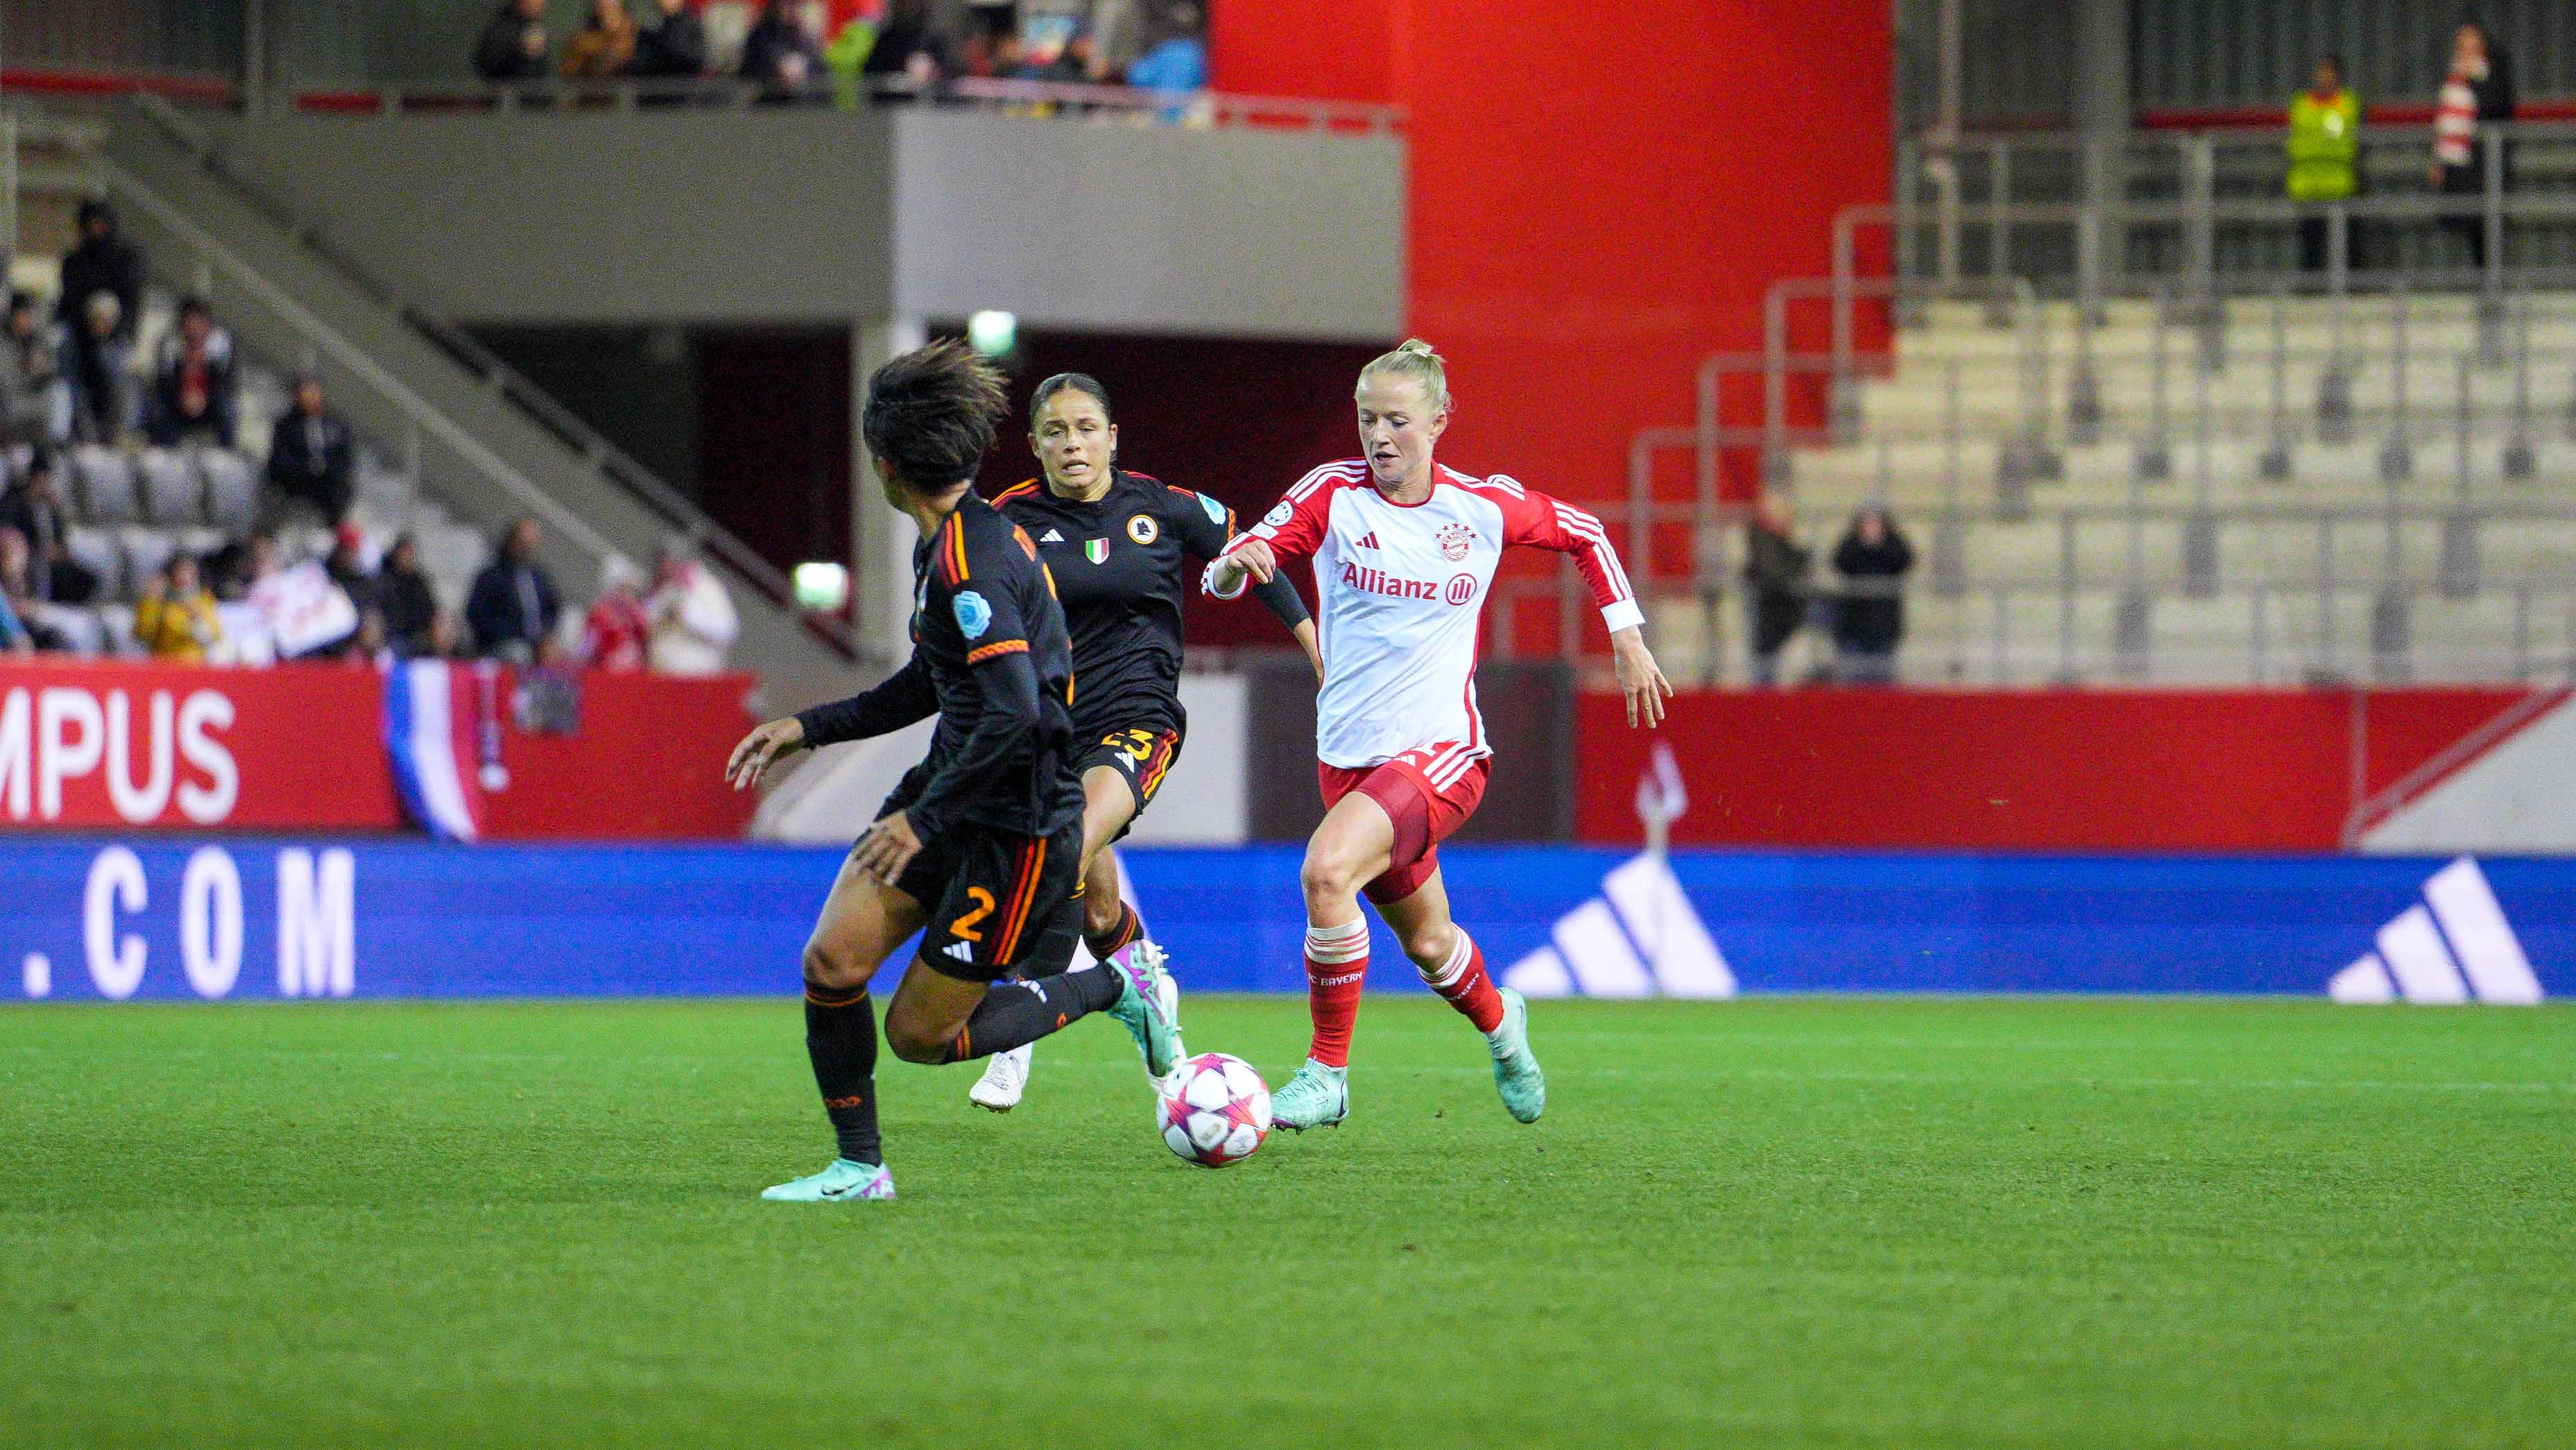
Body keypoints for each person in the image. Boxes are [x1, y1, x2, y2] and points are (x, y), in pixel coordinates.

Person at [721, 339, 1182, 1203]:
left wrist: (924, 821)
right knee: (831, 964)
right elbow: (930, 686)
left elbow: (1015, 712)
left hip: (1014, 832)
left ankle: (1113, 982)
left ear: (885, 466)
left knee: (920, 1038)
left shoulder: (977, 561)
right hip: (948, 795)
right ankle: (860, 1168)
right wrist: (808, 727)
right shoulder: (947, 547)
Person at [1205, 339, 1669, 1131]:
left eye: (1396, 420)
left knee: (1326, 872)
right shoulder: (1332, 494)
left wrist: (1625, 633)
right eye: (1366, 419)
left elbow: (1585, 533)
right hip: (1348, 759)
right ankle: (1503, 1024)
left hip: (1443, 752)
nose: (1379, 436)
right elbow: (1262, 544)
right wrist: (1233, 566)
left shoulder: (1479, 508)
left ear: (1440, 422)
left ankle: (1327, 1073)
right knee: (1429, 945)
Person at [965, 372, 1321, 1111]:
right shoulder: (1008, 520)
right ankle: (1148, 991)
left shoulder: (1161, 506)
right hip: (1048, 733)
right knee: (1096, 907)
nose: (1073, 444)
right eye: (1056, 431)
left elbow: (1254, 554)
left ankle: (1016, 1031)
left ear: (1112, 437)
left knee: (1061, 844)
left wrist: (1312, 640)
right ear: (1034, 445)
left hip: (1139, 719)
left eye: (1086, 428)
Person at [2432, 22, 2516, 273]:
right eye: (2461, 44)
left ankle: (2493, 287)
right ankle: (2480, 282)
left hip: (2487, 165)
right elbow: (2446, 119)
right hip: (2461, 166)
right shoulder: (2453, 77)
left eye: (2470, 43)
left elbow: (2497, 109)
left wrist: (2474, 79)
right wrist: (2438, 159)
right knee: (2470, 227)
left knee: (2489, 227)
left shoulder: (2494, 73)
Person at [2288, 56, 2359, 274]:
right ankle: (2310, 297)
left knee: (2346, 246)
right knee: (2310, 247)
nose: (2324, 78)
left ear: (2337, 76)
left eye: (2329, 73)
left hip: (2339, 185)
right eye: (2321, 73)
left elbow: (2338, 137)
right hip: (2307, 186)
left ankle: (2349, 293)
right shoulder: (2301, 103)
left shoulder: (2347, 103)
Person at [1, 451, 99, 606]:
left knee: (85, 578)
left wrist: (57, 510)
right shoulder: (15, 503)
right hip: (30, 562)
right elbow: (12, 538)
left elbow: (62, 541)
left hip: (53, 563)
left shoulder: (49, 507)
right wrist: (40, 550)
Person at [1828, 506, 1914, 685]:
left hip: (1884, 625)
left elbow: (1905, 560)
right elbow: (1840, 562)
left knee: (1883, 682)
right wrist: (1863, 544)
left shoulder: (1893, 543)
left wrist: (1881, 544)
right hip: (1854, 625)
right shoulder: (1852, 544)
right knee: (1854, 683)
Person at [465, 517, 562, 663]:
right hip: (503, 644)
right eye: (524, 543)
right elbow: (478, 619)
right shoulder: (491, 577)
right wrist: (520, 633)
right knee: (519, 654)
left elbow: (553, 609)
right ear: (512, 541)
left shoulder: (538, 577)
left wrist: (546, 636)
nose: (527, 548)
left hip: (538, 642)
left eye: (531, 544)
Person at [265, 370, 355, 524]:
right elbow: (280, 461)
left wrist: (327, 472)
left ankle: (334, 525)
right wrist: (309, 470)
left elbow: (345, 459)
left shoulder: (336, 425)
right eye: (304, 392)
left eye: (313, 391)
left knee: (343, 487)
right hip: (298, 484)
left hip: (328, 486)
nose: (309, 397)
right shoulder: (286, 426)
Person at [147, 298, 238, 449]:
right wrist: (182, 396)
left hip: (209, 402)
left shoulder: (221, 349)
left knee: (227, 408)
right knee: (159, 409)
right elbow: (163, 383)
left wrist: (205, 398)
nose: (194, 329)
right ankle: (162, 449)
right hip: (177, 401)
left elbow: (226, 383)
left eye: (198, 323)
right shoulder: (170, 347)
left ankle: (225, 453)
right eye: (189, 323)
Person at [643, 536, 738, 675]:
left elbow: (727, 628)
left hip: (696, 672)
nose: (663, 567)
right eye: (660, 561)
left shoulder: (705, 586)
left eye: (667, 561)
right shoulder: (664, 589)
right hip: (661, 674)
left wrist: (685, 617)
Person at [1742, 495, 1809, 686]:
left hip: (1780, 615)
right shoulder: (1763, 542)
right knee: (1764, 669)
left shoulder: (1781, 544)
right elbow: (1774, 574)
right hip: (1770, 614)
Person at [2, 291, 70, 446]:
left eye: (30, 316)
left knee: (60, 391)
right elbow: (7, 384)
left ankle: (56, 445)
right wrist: (26, 369)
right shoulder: (4, 342)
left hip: (33, 398)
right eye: (23, 315)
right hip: (10, 403)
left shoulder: (37, 341)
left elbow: (53, 371)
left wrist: (41, 368)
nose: (26, 321)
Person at [66, 291, 133, 445]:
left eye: (108, 319)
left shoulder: (118, 348)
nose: (102, 324)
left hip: (110, 421)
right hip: (82, 421)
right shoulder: (75, 346)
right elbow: (75, 389)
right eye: (98, 318)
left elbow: (121, 388)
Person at [133, 554, 223, 663]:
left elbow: (211, 639)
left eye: (189, 572)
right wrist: (150, 601)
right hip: (164, 664)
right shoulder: (159, 602)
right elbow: (143, 634)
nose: (184, 576)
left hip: (194, 665)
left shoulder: (203, 600)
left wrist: (196, 619)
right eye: (180, 571)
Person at [739, 0, 827, 101]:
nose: (791, 9)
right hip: (769, 102)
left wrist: (803, 66)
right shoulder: (760, 34)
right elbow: (751, 68)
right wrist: (779, 66)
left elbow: (819, 66)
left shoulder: (803, 35)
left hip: (803, 103)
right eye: (785, 4)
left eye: (794, 5)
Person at [378, 534, 442, 656]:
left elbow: (430, 610)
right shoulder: (384, 581)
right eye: (405, 554)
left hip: (418, 636)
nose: (408, 558)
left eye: (410, 554)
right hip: (392, 636)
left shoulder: (420, 583)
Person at [584, 554, 651, 669]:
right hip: (607, 672)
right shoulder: (599, 613)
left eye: (629, 587)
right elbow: (586, 650)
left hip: (633, 672)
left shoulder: (635, 613)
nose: (628, 592)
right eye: (623, 587)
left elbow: (646, 636)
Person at [474, 0, 553, 83]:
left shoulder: (533, 27)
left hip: (531, 91)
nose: (541, 4)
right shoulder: (503, 26)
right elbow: (487, 62)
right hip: (505, 91)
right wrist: (520, 48)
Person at [630, 0, 708, 80]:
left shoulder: (692, 25)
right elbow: (642, 63)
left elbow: (696, 59)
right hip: (654, 85)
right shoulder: (648, 29)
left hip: (685, 85)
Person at [559, 0, 638, 78]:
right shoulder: (584, 42)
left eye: (612, 6)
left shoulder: (641, 40)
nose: (607, 11)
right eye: (603, 8)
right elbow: (568, 72)